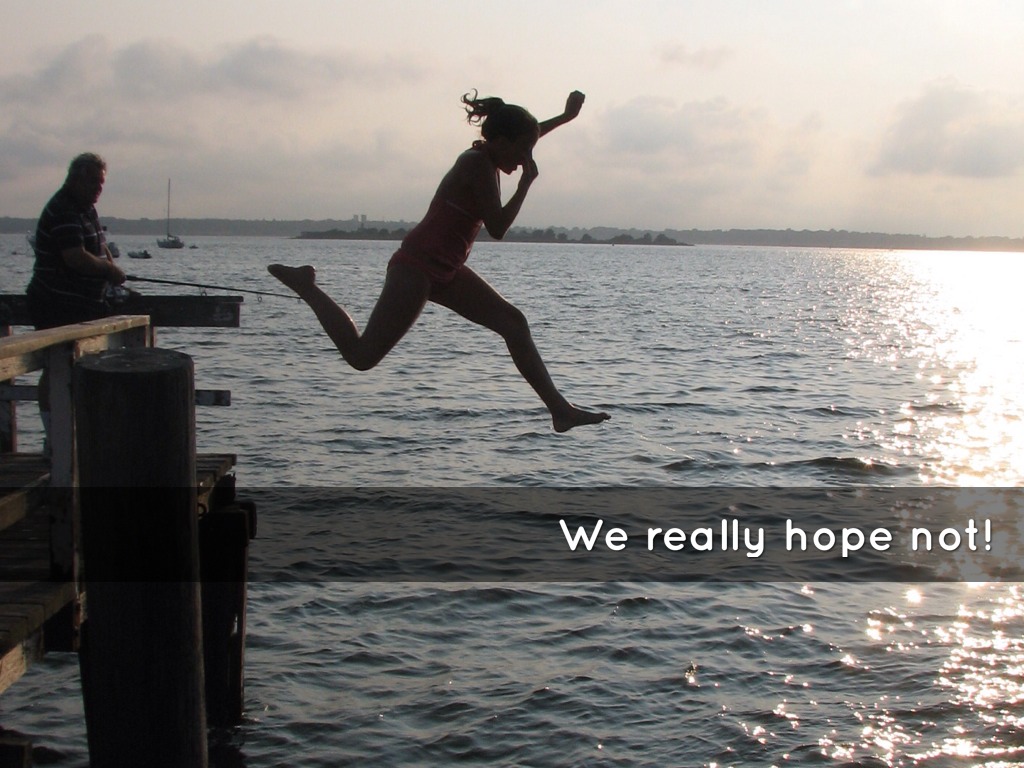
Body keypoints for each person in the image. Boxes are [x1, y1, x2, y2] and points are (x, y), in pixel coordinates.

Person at [269, 90, 610, 433]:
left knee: (513, 323)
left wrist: (564, 119)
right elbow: (498, 227)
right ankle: (306, 286)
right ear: (501, 141)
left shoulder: (492, 155)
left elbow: (524, 140)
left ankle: (560, 411)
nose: (525, 159)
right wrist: (525, 185)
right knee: (361, 357)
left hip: (446, 268)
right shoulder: (476, 165)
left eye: (529, 151)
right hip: (417, 266)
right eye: (522, 151)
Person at [26, 152, 127, 453]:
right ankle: (55, 441)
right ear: (75, 178)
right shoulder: (63, 209)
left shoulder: (86, 210)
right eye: (94, 182)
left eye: (101, 184)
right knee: (56, 368)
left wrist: (110, 272)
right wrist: (109, 270)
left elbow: (99, 249)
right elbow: (75, 257)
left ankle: (77, 439)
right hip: (55, 304)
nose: (98, 189)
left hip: (85, 305)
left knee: (85, 368)